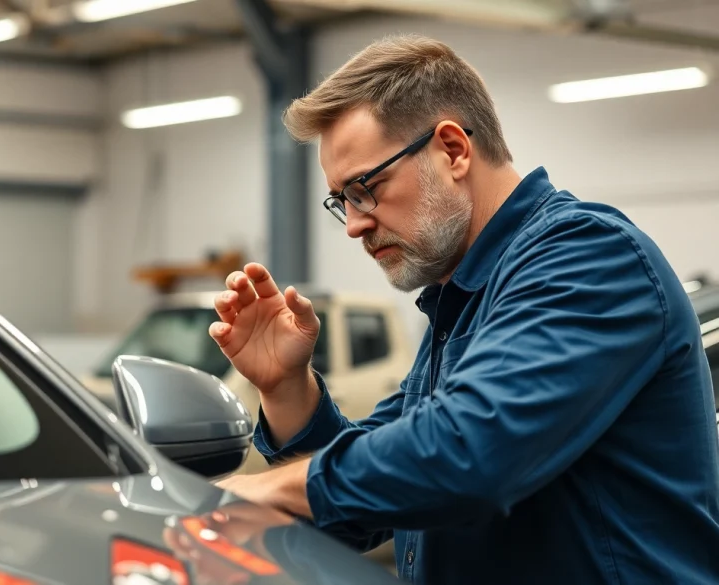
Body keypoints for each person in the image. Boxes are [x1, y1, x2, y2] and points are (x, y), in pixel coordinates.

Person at [209, 34, 719, 584]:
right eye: (343, 202)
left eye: (365, 188)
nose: (354, 223)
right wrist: (288, 387)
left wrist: (261, 487)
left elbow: (468, 456)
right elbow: (366, 500)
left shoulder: (588, 257)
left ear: (452, 150)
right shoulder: (463, 300)